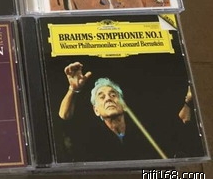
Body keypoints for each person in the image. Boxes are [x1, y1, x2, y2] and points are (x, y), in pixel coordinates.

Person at [58, 62, 194, 162]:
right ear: (96, 110)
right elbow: (64, 117)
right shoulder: (91, 138)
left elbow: (181, 123)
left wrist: (188, 101)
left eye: (113, 95)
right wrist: (73, 90)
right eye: (101, 96)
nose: (108, 99)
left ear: (123, 105)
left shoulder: (145, 129)